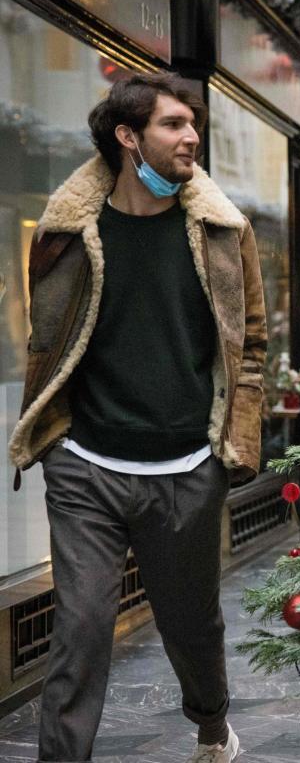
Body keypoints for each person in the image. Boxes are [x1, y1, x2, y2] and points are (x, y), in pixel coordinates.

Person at [7, 72, 267, 763]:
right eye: (174, 125)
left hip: (186, 465)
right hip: (86, 465)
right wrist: (51, 436)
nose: (191, 138)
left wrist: (233, 439)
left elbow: (253, 345)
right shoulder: (67, 233)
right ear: (129, 138)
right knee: (82, 627)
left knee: (191, 625)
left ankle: (211, 724)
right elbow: (50, 334)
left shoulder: (221, 230)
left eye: (194, 125)